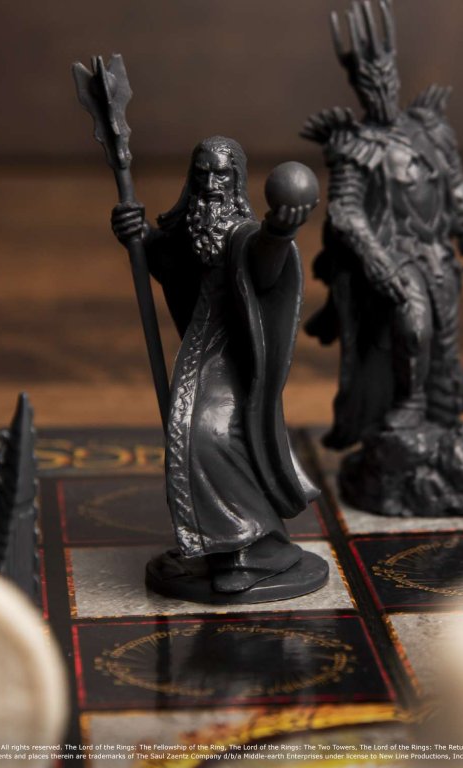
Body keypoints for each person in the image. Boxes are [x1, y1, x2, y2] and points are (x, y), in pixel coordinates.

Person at [111, 137, 322, 596]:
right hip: (199, 349)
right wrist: (136, 232)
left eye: (221, 174)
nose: (211, 184)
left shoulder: (243, 233)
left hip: (234, 355)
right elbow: (166, 260)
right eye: (202, 173)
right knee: (186, 431)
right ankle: (221, 546)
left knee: (211, 431)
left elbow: (265, 265)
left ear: (237, 180)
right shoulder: (191, 227)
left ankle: (255, 547)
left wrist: (279, 232)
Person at [303, 0, 463, 449]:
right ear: (357, 86)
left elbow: (458, 193)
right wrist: (379, 262)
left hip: (437, 255)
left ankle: (443, 426)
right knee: (414, 327)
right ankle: (408, 404)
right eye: (369, 84)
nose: (381, 91)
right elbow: (345, 212)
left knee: (445, 346)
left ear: (394, 74)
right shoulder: (354, 145)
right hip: (396, 254)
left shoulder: (430, 129)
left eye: (386, 80)